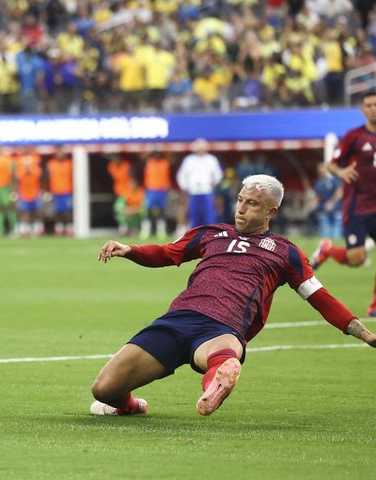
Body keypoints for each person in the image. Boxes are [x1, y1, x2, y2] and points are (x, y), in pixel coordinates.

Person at [90, 174, 376, 417]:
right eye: (240, 200)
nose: (241, 208)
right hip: (177, 319)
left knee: (222, 357)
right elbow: (166, 253)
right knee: (103, 388)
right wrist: (129, 249)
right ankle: (130, 407)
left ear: (271, 212)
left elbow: (320, 297)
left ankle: (217, 384)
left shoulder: (285, 252)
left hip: (222, 328)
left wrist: (363, 333)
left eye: (252, 203)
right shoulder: (211, 233)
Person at [310, 91, 376, 316]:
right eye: (369, 105)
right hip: (357, 206)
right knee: (356, 259)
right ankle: (327, 250)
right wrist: (341, 171)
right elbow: (331, 165)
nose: (373, 109)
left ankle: (374, 306)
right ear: (363, 109)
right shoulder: (354, 137)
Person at [175, 138, 223, 229]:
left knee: (209, 215)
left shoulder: (211, 160)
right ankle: (194, 234)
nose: (200, 150)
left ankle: (210, 232)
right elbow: (181, 175)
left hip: (207, 191)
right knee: (194, 215)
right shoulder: (189, 160)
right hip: (193, 192)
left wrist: (214, 182)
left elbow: (218, 174)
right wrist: (184, 187)